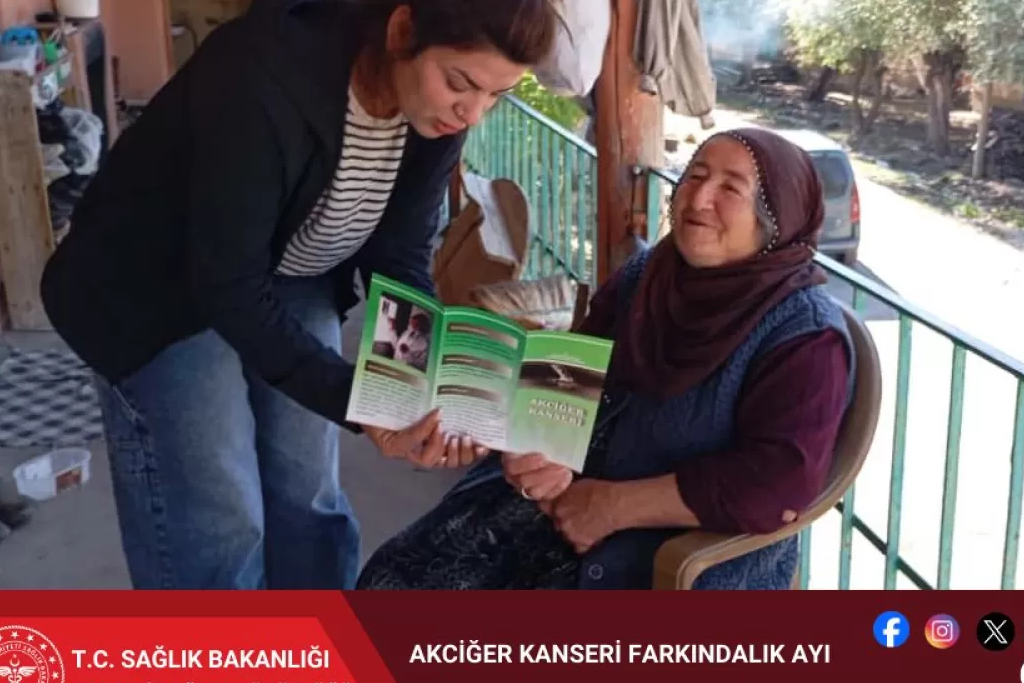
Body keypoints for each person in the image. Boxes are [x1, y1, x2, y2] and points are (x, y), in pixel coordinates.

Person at [40, 0, 563, 590]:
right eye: (461, 84)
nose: (472, 113)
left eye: (496, 96)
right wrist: (364, 408)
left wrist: (416, 390)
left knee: (308, 494)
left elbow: (400, 256)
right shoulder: (261, 77)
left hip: (289, 267)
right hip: (154, 289)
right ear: (402, 29)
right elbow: (228, 286)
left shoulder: (439, 114)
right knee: (222, 514)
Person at [356, 128, 856, 590]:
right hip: (564, 498)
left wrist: (614, 506)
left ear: (777, 219)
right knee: (391, 579)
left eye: (731, 188)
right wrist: (538, 447)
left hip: (669, 547)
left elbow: (778, 484)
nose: (700, 198)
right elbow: (571, 377)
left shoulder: (805, 337)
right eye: (695, 175)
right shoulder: (651, 274)